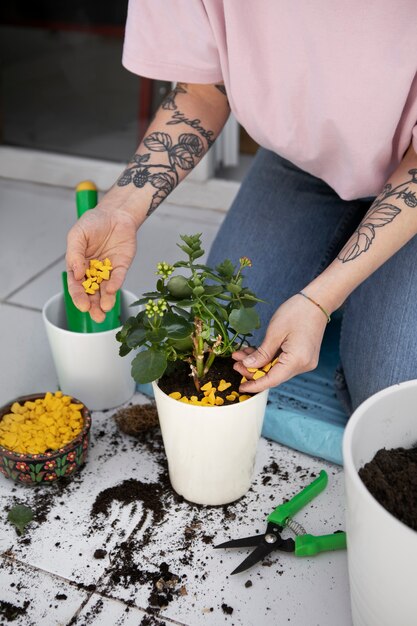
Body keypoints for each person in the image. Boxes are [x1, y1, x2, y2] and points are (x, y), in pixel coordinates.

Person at [66, 1, 417, 413]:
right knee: (225, 335)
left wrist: (322, 300)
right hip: (303, 159)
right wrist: (122, 209)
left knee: (389, 399)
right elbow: (201, 92)